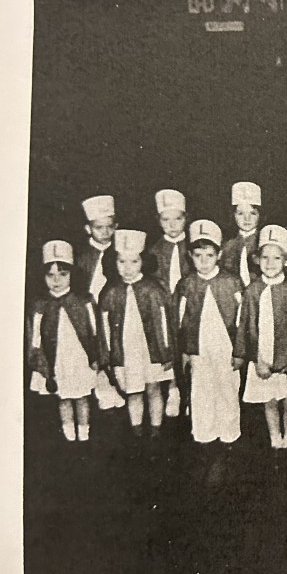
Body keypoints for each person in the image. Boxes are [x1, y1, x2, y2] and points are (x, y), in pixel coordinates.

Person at [234, 224, 287, 452]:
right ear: (257, 260)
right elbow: (245, 327)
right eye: (265, 258)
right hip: (262, 358)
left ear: (286, 261)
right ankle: (274, 437)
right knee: (269, 401)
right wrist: (253, 359)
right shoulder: (251, 291)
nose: (270, 264)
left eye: (277, 258)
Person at [98, 230, 174, 439]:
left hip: (151, 349)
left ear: (143, 262)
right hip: (126, 350)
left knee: (154, 387)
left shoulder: (153, 289)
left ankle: (157, 428)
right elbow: (104, 328)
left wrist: (167, 352)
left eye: (133, 261)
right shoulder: (111, 292)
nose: (127, 268)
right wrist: (108, 357)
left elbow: (164, 323)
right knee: (133, 391)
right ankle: (137, 429)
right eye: (122, 262)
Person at [174, 219, 244, 446]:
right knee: (201, 388)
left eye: (209, 255)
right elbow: (180, 321)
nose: (203, 262)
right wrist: (185, 350)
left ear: (220, 255)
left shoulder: (231, 282)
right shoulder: (186, 284)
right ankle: (204, 431)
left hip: (226, 346)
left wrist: (241, 351)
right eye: (198, 256)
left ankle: (229, 431)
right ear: (190, 256)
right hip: (199, 347)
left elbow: (243, 319)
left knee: (227, 387)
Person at [27, 240, 99, 443]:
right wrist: (40, 363)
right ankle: (68, 431)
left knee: (82, 395)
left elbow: (93, 333)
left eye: (62, 274)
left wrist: (95, 357)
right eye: (50, 275)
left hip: (79, 356)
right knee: (63, 396)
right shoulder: (40, 305)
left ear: (71, 275)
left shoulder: (83, 301)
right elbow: (35, 338)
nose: (56, 280)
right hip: (56, 358)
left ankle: (84, 431)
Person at [75, 194, 124, 410]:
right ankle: (102, 388)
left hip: (113, 308)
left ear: (116, 226)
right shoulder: (83, 256)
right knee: (94, 349)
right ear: (88, 229)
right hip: (90, 307)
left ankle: (118, 385)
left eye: (109, 227)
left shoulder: (121, 252)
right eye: (98, 227)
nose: (104, 232)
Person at [147, 188, 191, 418]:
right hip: (164, 307)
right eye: (166, 220)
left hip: (189, 307)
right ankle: (173, 388)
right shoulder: (154, 250)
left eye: (178, 218)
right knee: (169, 346)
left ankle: (190, 395)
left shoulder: (195, 246)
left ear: (186, 218)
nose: (172, 225)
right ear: (158, 221)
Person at [221, 181, 262, 287]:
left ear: (260, 215)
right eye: (240, 213)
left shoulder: (263, 242)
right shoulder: (227, 245)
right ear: (233, 215)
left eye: (252, 213)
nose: (246, 219)